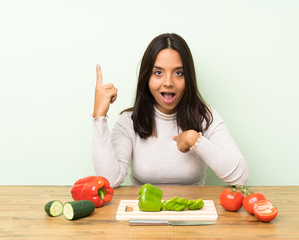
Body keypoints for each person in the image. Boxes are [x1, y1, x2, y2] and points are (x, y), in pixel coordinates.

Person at [92, 33, 249, 188]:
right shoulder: (129, 121)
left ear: (189, 78)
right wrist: (99, 117)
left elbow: (240, 177)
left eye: (179, 73)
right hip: (143, 211)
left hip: (193, 210)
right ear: (147, 78)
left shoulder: (205, 117)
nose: (168, 82)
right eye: (158, 73)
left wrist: (195, 140)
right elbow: (109, 181)